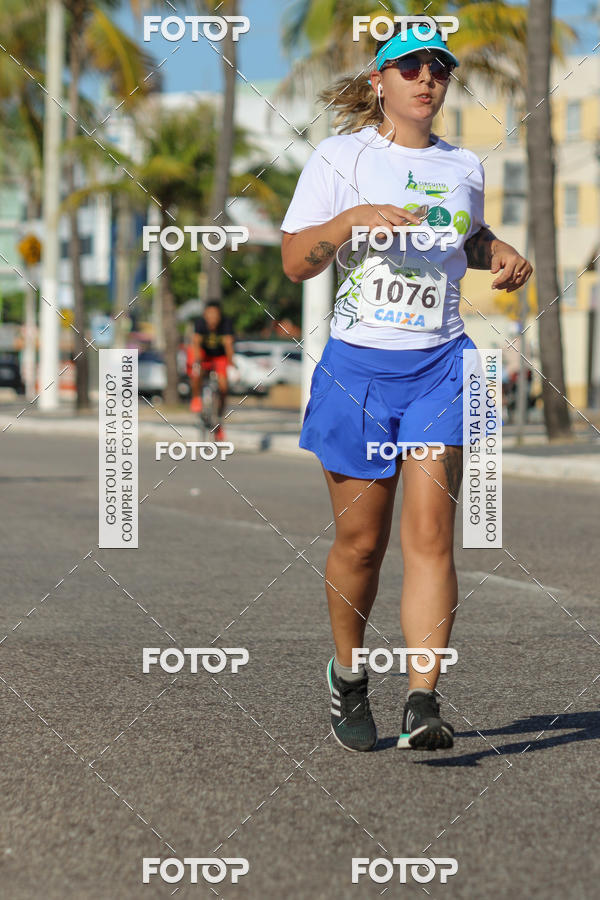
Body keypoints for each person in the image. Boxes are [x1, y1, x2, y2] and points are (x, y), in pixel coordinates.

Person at [281, 21, 532, 752]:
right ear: (378, 83)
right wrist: (353, 219)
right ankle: (348, 676)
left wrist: (501, 251)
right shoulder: (340, 157)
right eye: (411, 66)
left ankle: (423, 698)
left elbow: (467, 235)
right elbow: (298, 261)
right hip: (358, 369)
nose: (428, 78)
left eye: (440, 69)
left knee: (431, 537)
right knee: (361, 544)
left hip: (439, 366)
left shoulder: (462, 166)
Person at [189, 300, 235, 440]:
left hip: (219, 356)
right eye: (209, 315)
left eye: (215, 315)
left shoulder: (226, 323)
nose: (212, 318)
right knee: (196, 372)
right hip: (204, 355)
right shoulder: (200, 323)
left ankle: (219, 420)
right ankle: (196, 397)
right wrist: (197, 361)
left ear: (220, 315)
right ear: (205, 315)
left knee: (223, 387)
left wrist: (231, 363)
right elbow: (196, 342)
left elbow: (228, 344)